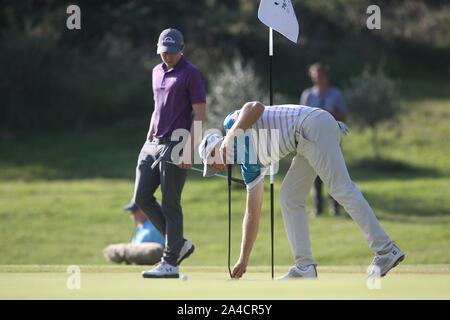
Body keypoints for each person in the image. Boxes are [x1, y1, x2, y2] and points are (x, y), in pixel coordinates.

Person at [199, 101, 404, 280]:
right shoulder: (249, 167)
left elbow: (255, 107)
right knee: (289, 196)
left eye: (212, 162)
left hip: (312, 126)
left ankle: (385, 249)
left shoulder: (230, 124)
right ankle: (305, 267)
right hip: (306, 139)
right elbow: (252, 214)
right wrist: (243, 259)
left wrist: (229, 138)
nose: (216, 168)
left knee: (341, 188)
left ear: (215, 147)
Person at [133, 28, 206, 278]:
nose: (168, 57)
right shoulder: (155, 72)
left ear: (182, 49)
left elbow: (200, 115)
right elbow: (157, 106)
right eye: (164, 52)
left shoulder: (191, 74)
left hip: (177, 142)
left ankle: (171, 262)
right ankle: (180, 244)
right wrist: (148, 135)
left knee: (170, 202)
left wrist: (189, 149)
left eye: (173, 52)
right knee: (142, 197)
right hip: (153, 142)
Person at [300, 63, 347, 217]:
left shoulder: (336, 94)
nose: (317, 79)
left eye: (320, 75)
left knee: (334, 173)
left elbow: (343, 116)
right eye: (315, 76)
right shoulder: (308, 94)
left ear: (326, 76)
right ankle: (318, 208)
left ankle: (335, 207)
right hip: (313, 140)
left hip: (332, 139)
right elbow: (300, 116)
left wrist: (327, 113)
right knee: (316, 175)